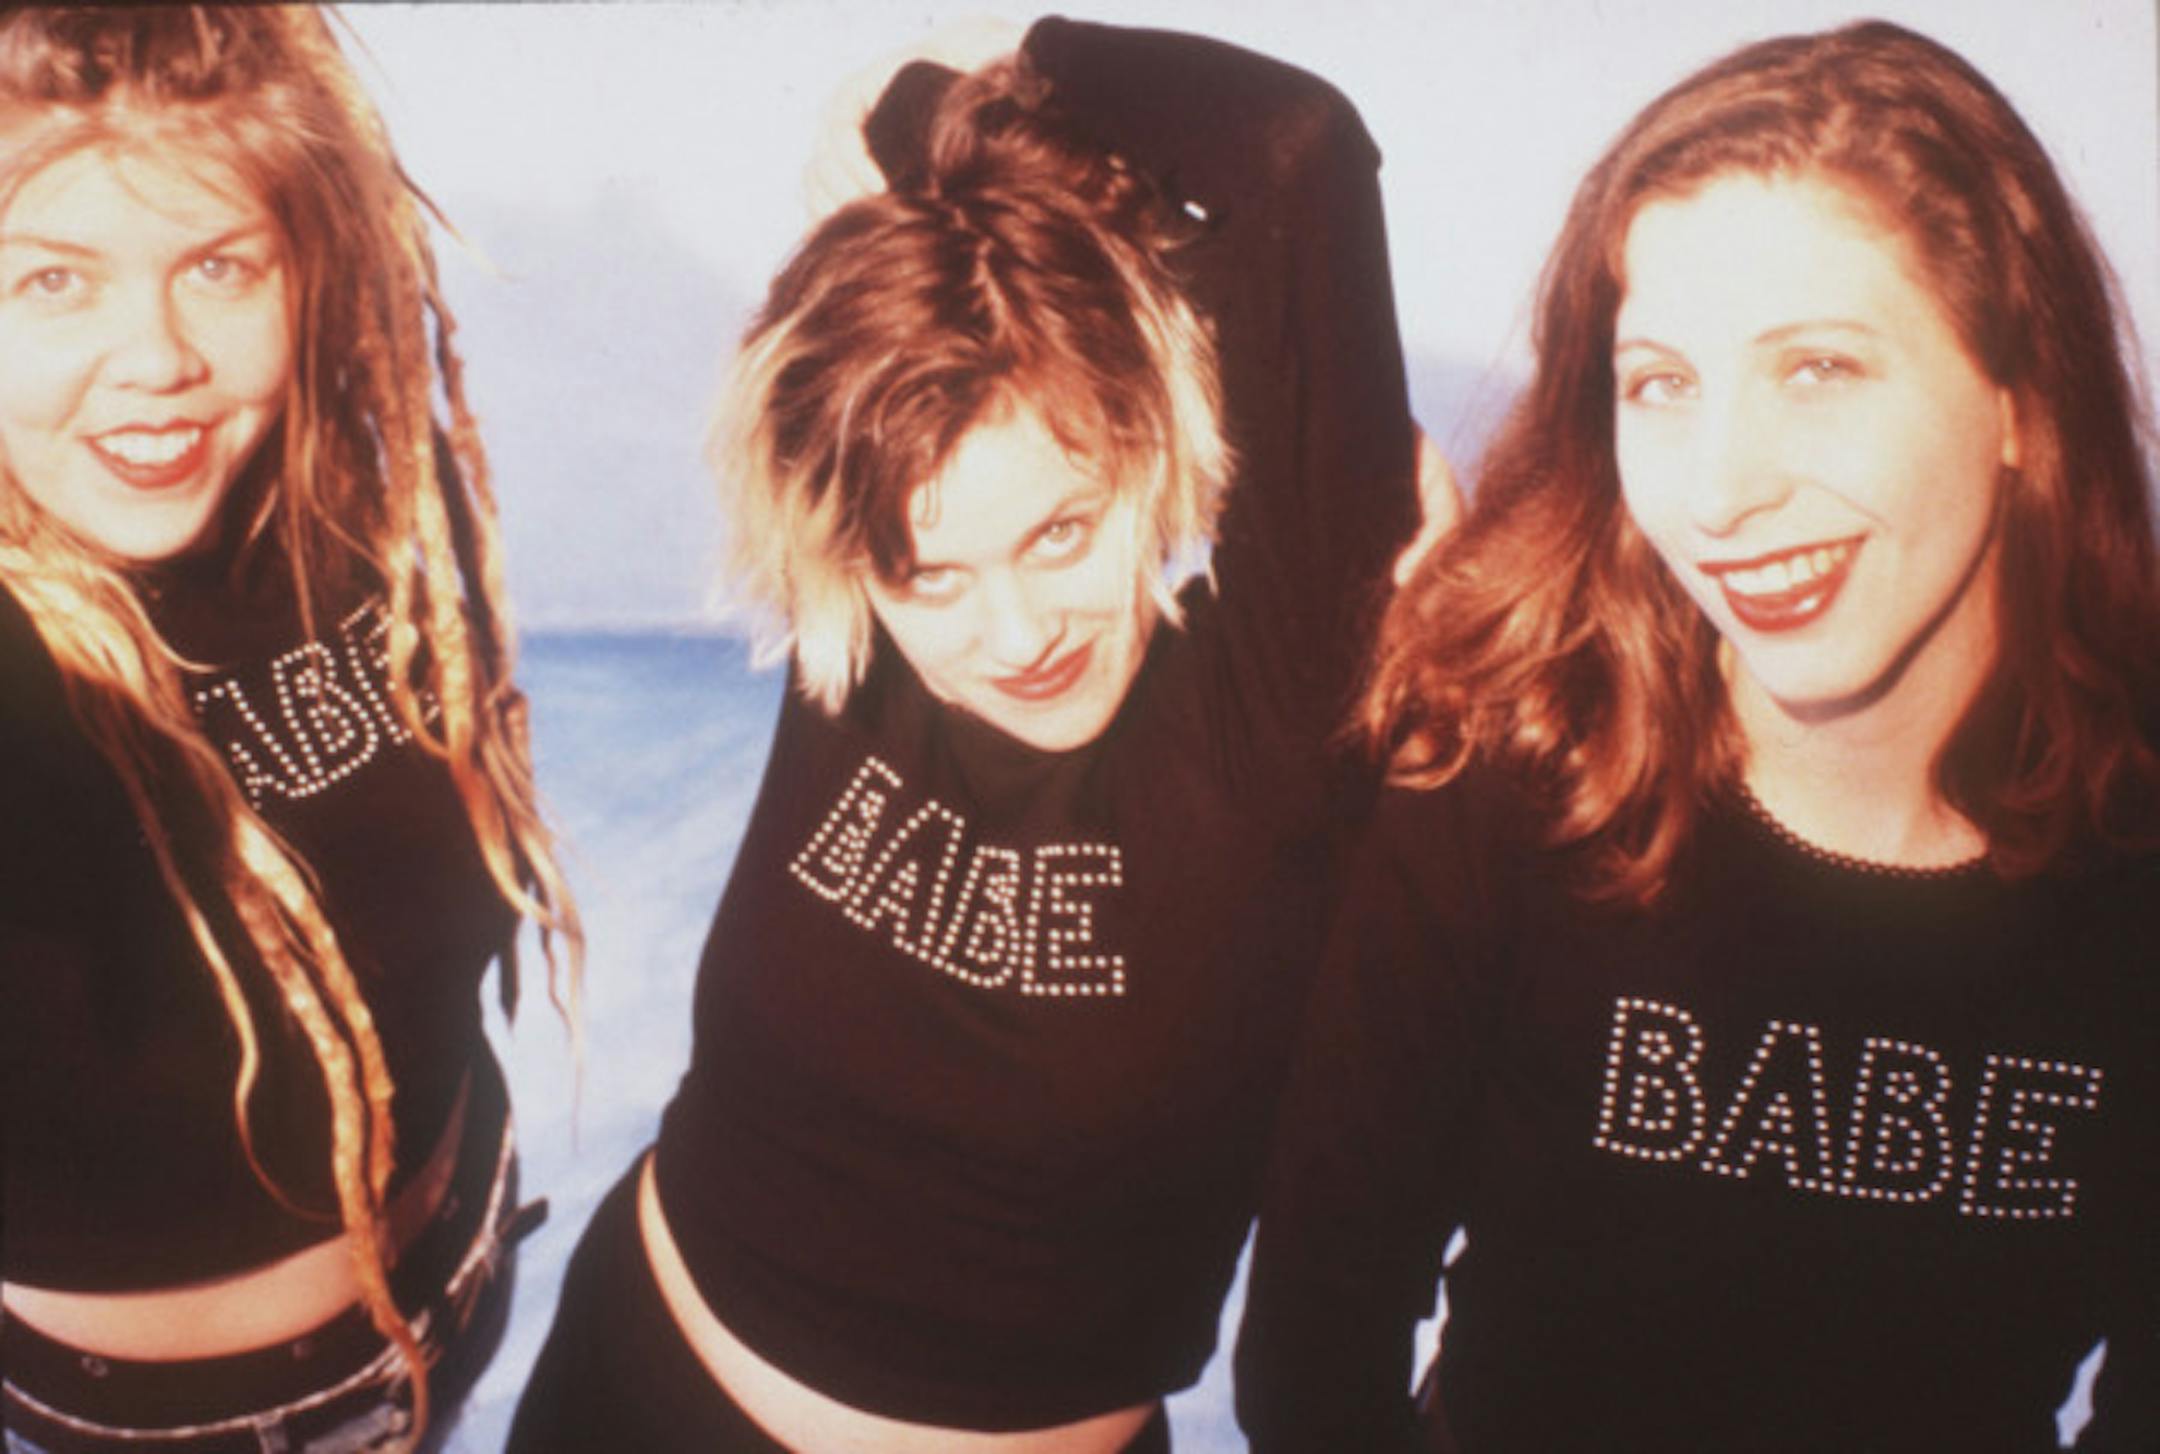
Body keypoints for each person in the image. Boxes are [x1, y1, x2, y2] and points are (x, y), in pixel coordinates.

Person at [1235, 18, 2160, 1453]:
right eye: (1662, 381)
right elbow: (1317, 1334)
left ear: (2018, 402)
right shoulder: (1518, 768)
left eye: (1819, 369)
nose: (1719, 492)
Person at [510, 18, 1418, 1453]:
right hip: (630, 1380)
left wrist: (934, 95)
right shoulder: (858, 644)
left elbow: (1294, 153)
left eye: (1063, 531)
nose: (1013, 634)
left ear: (1148, 447)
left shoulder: (1278, 705)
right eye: (934, 573)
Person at [0, 8, 579, 1452]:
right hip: (151, 1424)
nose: (158, 359)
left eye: (218, 266)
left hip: (448, 1269)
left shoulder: (350, 488)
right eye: (54, 281)